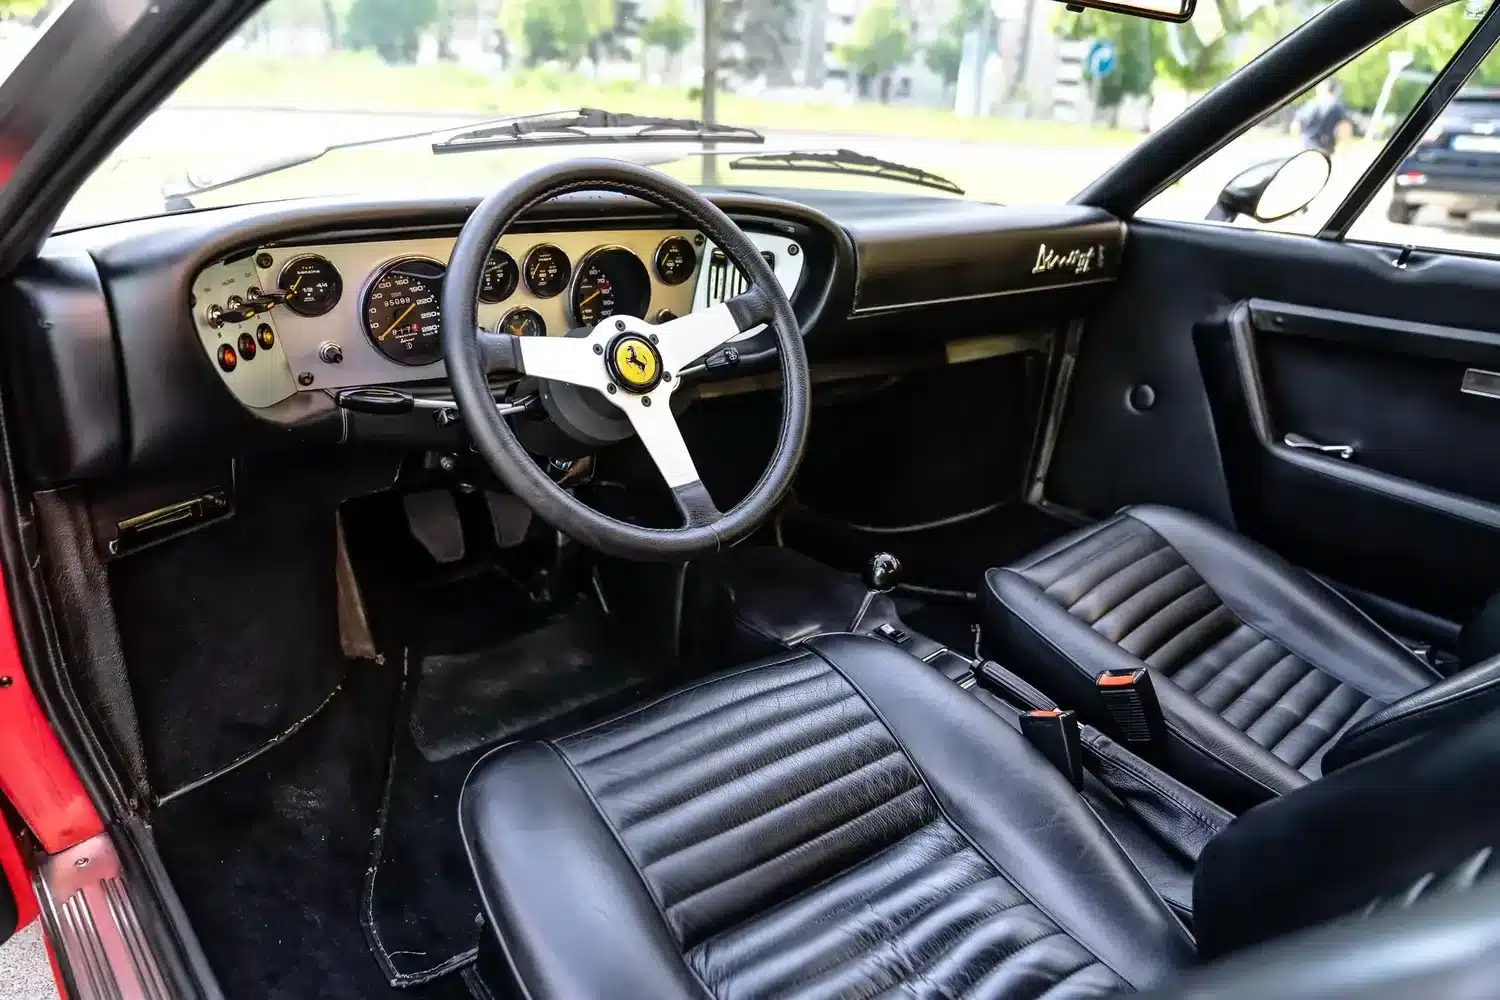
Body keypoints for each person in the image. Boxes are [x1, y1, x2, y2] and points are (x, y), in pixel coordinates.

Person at [1293, 79, 1354, 155]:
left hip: (1305, 147)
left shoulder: (1309, 103)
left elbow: (1296, 125)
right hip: (1324, 150)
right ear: (1334, 90)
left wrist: (1300, 141)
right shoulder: (1336, 105)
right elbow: (1345, 128)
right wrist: (1344, 146)